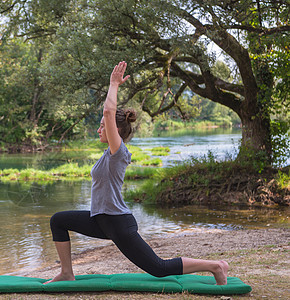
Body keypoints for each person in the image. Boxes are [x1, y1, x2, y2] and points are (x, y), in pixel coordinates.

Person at [44, 61, 229, 285]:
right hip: (100, 220)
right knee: (58, 221)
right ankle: (66, 273)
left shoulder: (118, 152)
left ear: (116, 131)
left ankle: (216, 266)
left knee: (158, 268)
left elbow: (109, 111)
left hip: (118, 223)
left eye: (103, 126)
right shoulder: (107, 154)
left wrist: (113, 84)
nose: (99, 129)